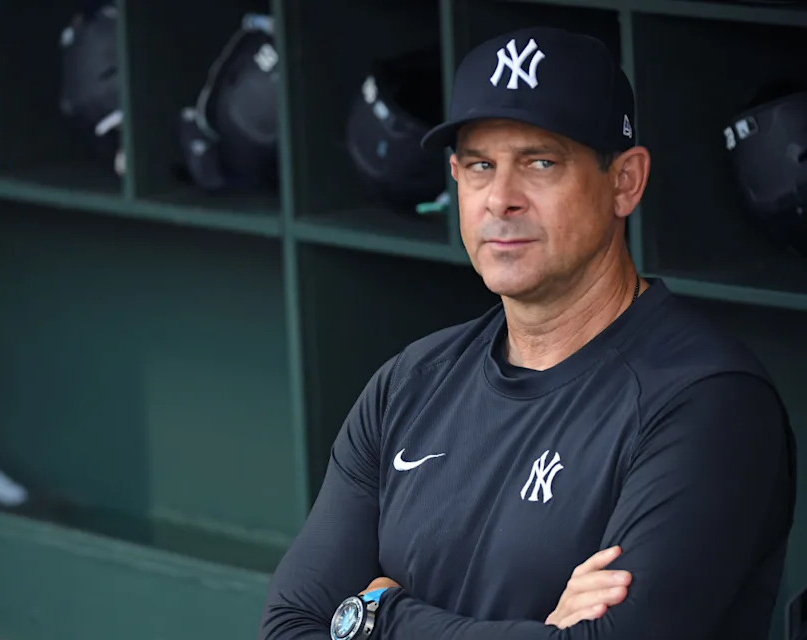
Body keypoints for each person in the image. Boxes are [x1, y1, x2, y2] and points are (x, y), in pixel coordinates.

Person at [256, 25, 797, 640]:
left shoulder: (707, 400)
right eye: (480, 166)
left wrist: (378, 616)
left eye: (541, 163)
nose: (501, 199)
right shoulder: (408, 384)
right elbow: (288, 627)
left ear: (624, 181)